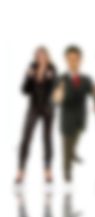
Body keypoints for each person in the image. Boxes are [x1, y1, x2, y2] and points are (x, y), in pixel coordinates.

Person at [16, 47, 57, 184]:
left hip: (48, 108)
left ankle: (47, 170)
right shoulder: (32, 67)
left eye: (42, 55)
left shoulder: (52, 68)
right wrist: (28, 76)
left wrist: (50, 79)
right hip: (33, 108)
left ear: (47, 56)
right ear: (35, 57)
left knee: (47, 139)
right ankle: (21, 170)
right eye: (37, 55)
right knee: (26, 137)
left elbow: (55, 89)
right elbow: (24, 91)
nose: (40, 57)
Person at [54, 45, 94, 183]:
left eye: (76, 59)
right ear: (66, 60)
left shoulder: (86, 78)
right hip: (67, 118)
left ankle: (72, 154)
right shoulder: (61, 78)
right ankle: (67, 172)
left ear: (80, 60)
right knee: (66, 147)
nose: (73, 62)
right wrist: (57, 96)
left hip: (81, 118)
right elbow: (55, 100)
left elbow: (94, 92)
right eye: (70, 59)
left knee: (75, 141)